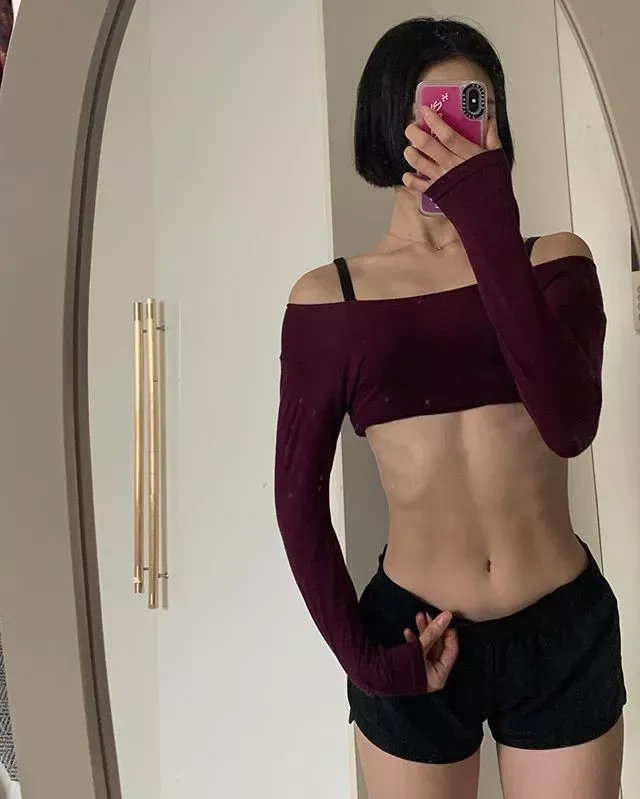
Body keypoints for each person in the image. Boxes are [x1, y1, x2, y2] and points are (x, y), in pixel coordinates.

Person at [274, 17, 625, 799]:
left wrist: (486, 215)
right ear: (385, 122)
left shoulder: (555, 261)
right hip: (413, 627)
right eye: (431, 112)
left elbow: (569, 422)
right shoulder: (331, 298)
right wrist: (366, 660)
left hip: (561, 631)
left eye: (474, 107)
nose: (452, 131)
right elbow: (297, 504)